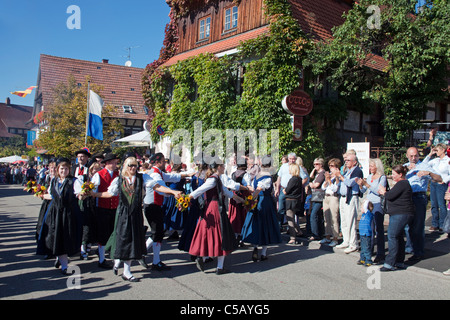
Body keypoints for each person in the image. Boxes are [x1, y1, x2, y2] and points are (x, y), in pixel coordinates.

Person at [92, 156, 182, 282]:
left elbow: (157, 186)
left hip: (135, 214)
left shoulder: (142, 178)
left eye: (134, 165)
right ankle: (122, 265)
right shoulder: (119, 180)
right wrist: (93, 194)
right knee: (123, 239)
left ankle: (126, 270)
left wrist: (172, 192)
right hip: (123, 214)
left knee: (132, 241)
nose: (133, 168)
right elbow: (110, 193)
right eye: (130, 165)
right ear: (125, 166)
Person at [188, 162, 245, 274]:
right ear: (218, 167)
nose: (224, 168)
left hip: (212, 208)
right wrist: (188, 197)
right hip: (214, 208)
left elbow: (227, 192)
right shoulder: (213, 180)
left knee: (209, 234)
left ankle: (203, 257)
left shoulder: (216, 179)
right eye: (223, 166)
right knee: (220, 235)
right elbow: (200, 190)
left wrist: (241, 200)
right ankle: (218, 266)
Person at [143, 153, 194, 271]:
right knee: (157, 233)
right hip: (152, 206)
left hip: (154, 206)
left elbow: (171, 177)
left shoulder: (158, 172)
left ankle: (153, 259)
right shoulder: (155, 174)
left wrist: (186, 174)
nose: (165, 163)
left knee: (158, 233)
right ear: (158, 162)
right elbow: (160, 187)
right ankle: (145, 254)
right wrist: (173, 192)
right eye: (163, 161)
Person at [40, 158, 83, 275]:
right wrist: (41, 194)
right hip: (55, 213)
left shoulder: (74, 181)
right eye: (62, 169)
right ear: (58, 170)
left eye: (66, 169)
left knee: (64, 238)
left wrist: (83, 194)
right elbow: (51, 196)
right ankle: (59, 258)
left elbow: (79, 195)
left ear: (69, 169)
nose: (64, 171)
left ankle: (64, 265)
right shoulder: (54, 181)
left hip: (68, 214)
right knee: (55, 237)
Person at [241, 156, 282, 262]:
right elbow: (259, 189)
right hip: (264, 203)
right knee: (265, 225)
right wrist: (252, 198)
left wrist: (252, 199)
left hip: (259, 201)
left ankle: (255, 248)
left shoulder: (257, 175)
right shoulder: (267, 177)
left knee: (256, 224)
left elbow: (255, 187)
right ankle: (263, 253)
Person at [405, 146, 442, 262]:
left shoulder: (424, 165)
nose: (413, 158)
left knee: (418, 226)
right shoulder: (405, 166)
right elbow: (395, 177)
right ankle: (409, 247)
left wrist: (429, 173)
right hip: (406, 196)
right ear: (407, 156)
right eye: (411, 156)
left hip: (419, 196)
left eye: (415, 155)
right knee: (407, 225)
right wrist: (406, 171)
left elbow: (439, 178)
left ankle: (418, 252)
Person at [378, 165, 415, 271]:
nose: (392, 176)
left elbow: (390, 196)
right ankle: (399, 261)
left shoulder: (402, 183)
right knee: (398, 237)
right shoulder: (403, 184)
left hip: (400, 213)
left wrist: (383, 192)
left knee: (392, 236)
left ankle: (390, 262)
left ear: (400, 174)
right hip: (402, 213)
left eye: (394, 174)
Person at [90, 153, 121, 269]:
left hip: (115, 208)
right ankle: (102, 259)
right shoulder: (99, 175)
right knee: (103, 234)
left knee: (114, 232)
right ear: (106, 164)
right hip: (102, 208)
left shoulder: (119, 175)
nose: (114, 165)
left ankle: (113, 255)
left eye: (115, 162)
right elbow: (92, 192)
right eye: (112, 163)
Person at [356, 158, 387, 264]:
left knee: (379, 229)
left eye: (372, 166)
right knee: (370, 229)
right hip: (369, 204)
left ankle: (380, 253)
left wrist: (367, 185)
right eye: (369, 166)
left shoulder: (382, 178)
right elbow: (364, 190)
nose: (370, 168)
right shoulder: (369, 177)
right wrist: (361, 185)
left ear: (377, 167)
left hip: (377, 204)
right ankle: (368, 253)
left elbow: (379, 191)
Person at [336, 152, 363, 253]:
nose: (346, 162)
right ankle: (346, 241)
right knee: (344, 220)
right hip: (343, 197)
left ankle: (353, 243)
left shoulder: (357, 171)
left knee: (350, 221)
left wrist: (340, 176)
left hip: (351, 197)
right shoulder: (347, 171)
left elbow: (350, 183)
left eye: (348, 160)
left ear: (354, 162)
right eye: (345, 160)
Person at [423, 143, 450, 232]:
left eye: (437, 150)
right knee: (434, 205)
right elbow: (424, 164)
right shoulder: (435, 160)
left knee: (441, 204)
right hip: (433, 184)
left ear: (443, 150)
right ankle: (435, 223)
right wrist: (430, 154)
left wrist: (444, 180)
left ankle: (442, 224)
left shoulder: (447, 160)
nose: (436, 152)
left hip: (441, 184)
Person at [321, 158, 341, 247]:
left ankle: (335, 238)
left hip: (333, 197)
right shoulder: (330, 175)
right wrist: (326, 180)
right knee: (326, 218)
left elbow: (335, 188)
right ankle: (327, 236)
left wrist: (329, 181)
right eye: (329, 166)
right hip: (326, 197)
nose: (330, 168)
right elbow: (323, 187)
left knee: (334, 218)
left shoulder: (337, 176)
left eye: (332, 166)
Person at [275, 153, 297, 230]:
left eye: (293, 159)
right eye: (290, 159)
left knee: (290, 209)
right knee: (280, 208)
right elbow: (279, 178)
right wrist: (277, 189)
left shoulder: (298, 167)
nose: (292, 160)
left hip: (292, 191)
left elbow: (305, 178)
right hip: (283, 189)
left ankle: (290, 228)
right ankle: (279, 226)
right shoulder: (284, 166)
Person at [283, 163, 304, 244]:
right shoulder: (299, 179)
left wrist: (285, 191)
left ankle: (293, 237)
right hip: (296, 200)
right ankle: (299, 231)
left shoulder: (293, 179)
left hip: (290, 200)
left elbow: (287, 190)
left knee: (290, 219)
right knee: (291, 218)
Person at [308, 158, 326, 241]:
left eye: (317, 164)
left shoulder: (322, 173)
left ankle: (315, 234)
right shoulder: (317, 173)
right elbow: (310, 177)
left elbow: (315, 185)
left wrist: (311, 184)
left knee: (314, 215)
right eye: (314, 164)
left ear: (321, 164)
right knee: (317, 215)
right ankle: (319, 233)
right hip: (315, 196)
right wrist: (313, 170)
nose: (315, 166)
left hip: (319, 196)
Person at [357, 200, 374, 267]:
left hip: (366, 234)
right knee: (363, 248)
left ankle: (368, 260)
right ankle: (362, 259)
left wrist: (365, 201)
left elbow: (366, 207)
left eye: (362, 207)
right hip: (362, 234)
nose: (361, 209)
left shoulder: (368, 214)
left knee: (367, 248)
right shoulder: (363, 215)